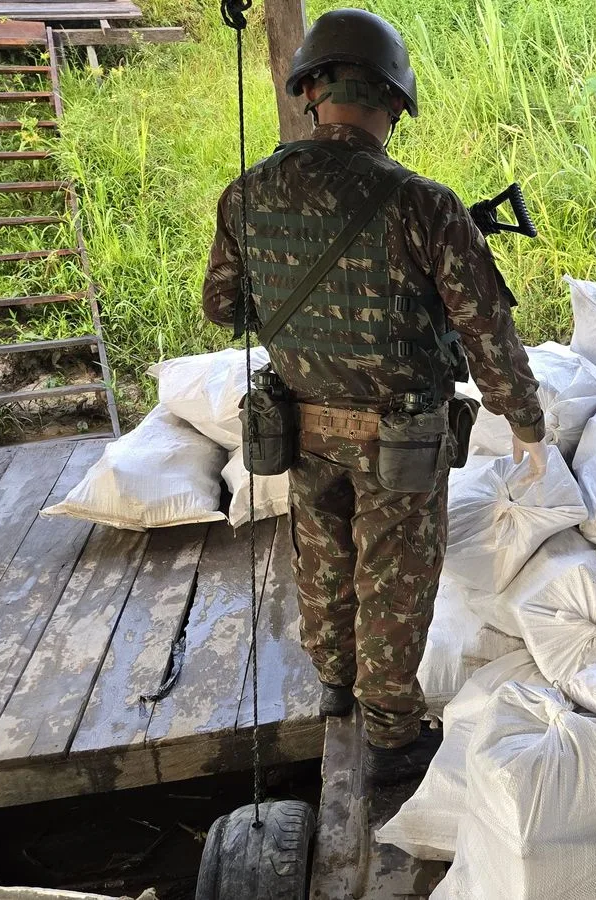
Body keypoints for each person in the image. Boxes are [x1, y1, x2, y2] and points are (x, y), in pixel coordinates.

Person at [202, 8, 545, 790]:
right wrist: (525, 425)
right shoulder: (425, 205)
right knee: (394, 580)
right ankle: (392, 736)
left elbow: (224, 307)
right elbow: (487, 333)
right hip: (400, 442)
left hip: (298, 425)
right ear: (394, 102)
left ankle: (333, 684)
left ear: (311, 92)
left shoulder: (248, 192)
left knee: (322, 556)